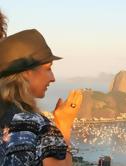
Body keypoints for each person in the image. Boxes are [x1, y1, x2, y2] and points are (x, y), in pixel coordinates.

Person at [0, 29, 83, 165]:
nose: (53, 78)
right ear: (27, 72)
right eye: (48, 68)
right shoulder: (34, 125)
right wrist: (64, 123)